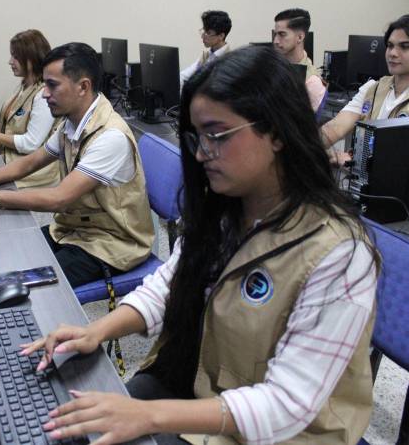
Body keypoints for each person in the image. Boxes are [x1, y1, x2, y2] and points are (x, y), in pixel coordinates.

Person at [20, 46, 380, 445]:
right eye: (197, 137)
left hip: (280, 432)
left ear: (276, 132)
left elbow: (288, 404)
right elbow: (168, 286)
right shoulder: (226, 211)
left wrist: (148, 415)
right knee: (64, 427)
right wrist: (97, 331)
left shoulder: (338, 252)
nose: (203, 153)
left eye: (217, 135)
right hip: (199, 385)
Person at [0, 42, 154, 288]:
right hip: (75, 230)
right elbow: (31, 161)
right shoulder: (71, 123)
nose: (44, 94)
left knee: (20, 284)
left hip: (110, 243)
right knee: (11, 253)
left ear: (83, 87)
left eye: (52, 85)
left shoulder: (110, 136)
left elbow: (59, 198)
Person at [321, 14, 409, 164]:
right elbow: (335, 128)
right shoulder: (373, 89)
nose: (393, 53)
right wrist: (307, 147)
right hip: (366, 180)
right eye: (390, 45)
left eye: (404, 46)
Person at [0, 29, 59, 188]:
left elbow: (31, 143)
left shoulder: (43, 94)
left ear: (31, 59)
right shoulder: (25, 85)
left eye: (15, 56)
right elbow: (18, 125)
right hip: (13, 160)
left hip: (33, 175)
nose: (10, 61)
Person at [273, 8, 326, 111]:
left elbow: (308, 125)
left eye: (282, 34)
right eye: (275, 34)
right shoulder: (274, 67)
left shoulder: (311, 83)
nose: (275, 41)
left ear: (300, 37)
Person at [180, 10, 231, 88]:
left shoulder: (229, 60)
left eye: (208, 33)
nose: (203, 36)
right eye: (203, 31)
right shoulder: (207, 55)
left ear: (221, 36)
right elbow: (185, 75)